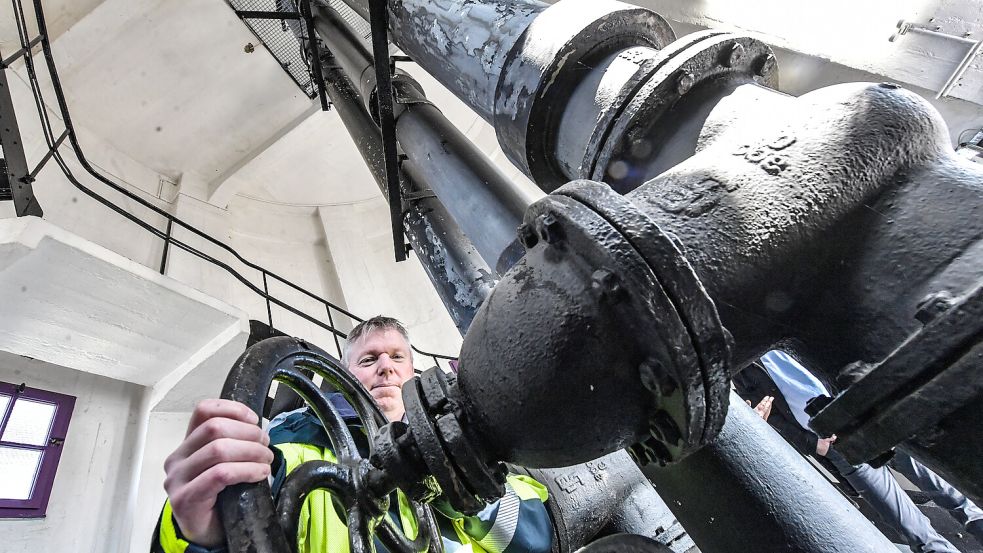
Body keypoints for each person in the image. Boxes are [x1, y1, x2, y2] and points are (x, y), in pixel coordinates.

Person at [153, 316, 553, 553]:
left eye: (397, 357)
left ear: (413, 374)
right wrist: (199, 536)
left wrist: (466, 487)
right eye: (368, 359)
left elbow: (538, 541)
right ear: (343, 375)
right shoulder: (284, 456)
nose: (385, 367)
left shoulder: (485, 462)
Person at [735, 350, 980, 553]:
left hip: (876, 422)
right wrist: (813, 444)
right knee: (912, 528)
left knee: (952, 493)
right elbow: (773, 418)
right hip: (837, 447)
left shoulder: (794, 324)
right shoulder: (742, 368)